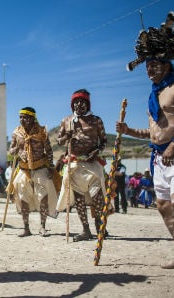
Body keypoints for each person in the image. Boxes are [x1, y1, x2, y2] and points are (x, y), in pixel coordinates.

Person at [117, 11, 174, 269]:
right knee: (163, 206)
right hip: (159, 156)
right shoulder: (154, 95)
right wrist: (129, 130)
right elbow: (154, 133)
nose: (149, 69)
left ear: (167, 65)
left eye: (154, 64)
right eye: (147, 65)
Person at [56, 89, 108, 242]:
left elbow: (104, 141)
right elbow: (59, 141)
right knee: (79, 200)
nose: (79, 105)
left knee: (97, 198)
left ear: (87, 104)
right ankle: (86, 230)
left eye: (82, 102)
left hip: (92, 164)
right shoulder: (67, 121)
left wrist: (97, 151)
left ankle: (100, 225)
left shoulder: (96, 120)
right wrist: (68, 135)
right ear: (72, 105)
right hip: (74, 164)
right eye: (76, 102)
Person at [8, 107, 58, 237]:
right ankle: (26, 228)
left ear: (32, 118)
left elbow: (49, 151)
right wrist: (18, 149)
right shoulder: (16, 133)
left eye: (25, 117)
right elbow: (11, 151)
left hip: (40, 168)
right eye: (20, 117)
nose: (22, 120)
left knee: (43, 198)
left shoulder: (42, 132)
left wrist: (51, 168)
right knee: (22, 199)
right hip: (24, 169)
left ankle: (42, 227)